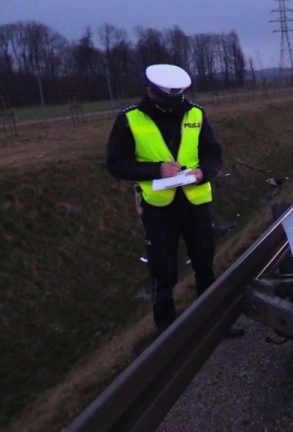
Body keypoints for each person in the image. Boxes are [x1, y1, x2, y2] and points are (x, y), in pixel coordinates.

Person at [107, 64, 222, 332]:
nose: (174, 106)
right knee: (163, 272)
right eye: (168, 100)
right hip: (159, 210)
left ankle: (212, 321)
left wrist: (203, 172)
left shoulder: (196, 114)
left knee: (204, 263)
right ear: (151, 92)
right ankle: (167, 333)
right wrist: (155, 170)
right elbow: (116, 164)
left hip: (196, 203)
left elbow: (214, 153)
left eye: (178, 99)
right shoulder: (129, 120)